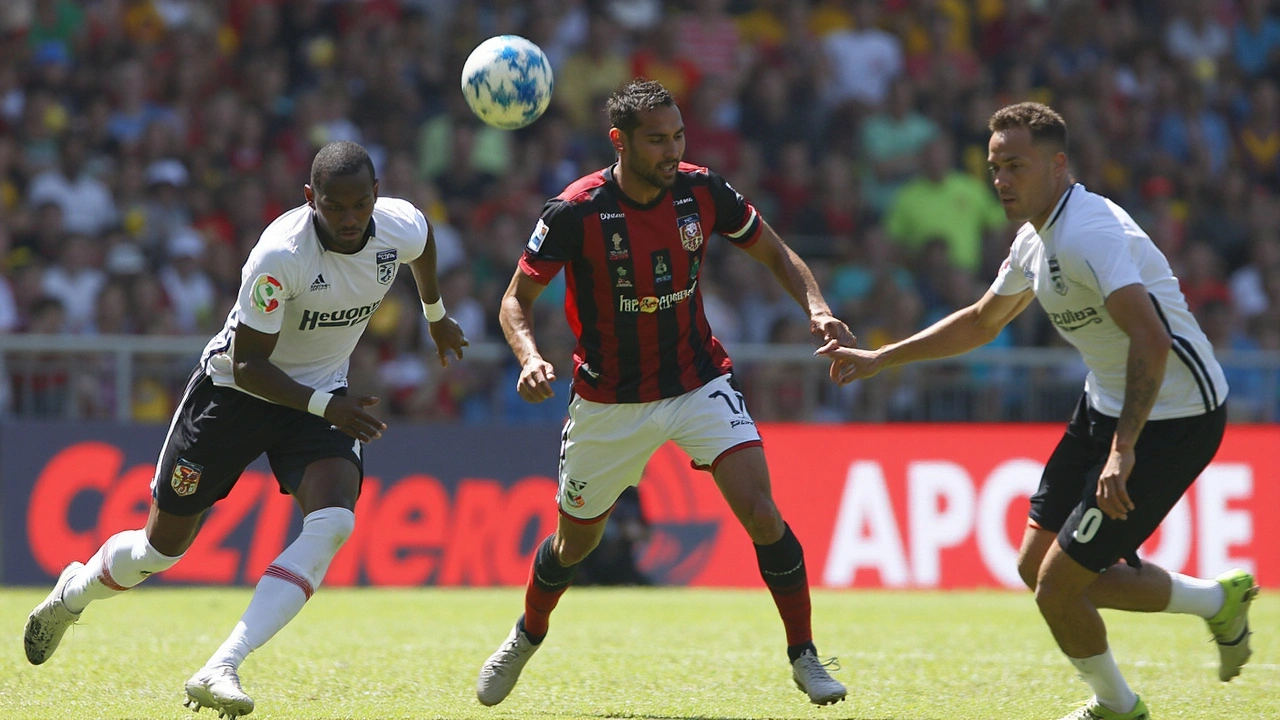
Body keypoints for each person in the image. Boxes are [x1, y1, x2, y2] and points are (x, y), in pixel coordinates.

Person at [819, 102, 1258, 720]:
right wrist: (881, 358)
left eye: (1015, 166)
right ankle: (1218, 602)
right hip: (1107, 401)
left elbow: (1153, 340)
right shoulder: (1035, 240)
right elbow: (982, 320)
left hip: (1175, 416)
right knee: (1036, 568)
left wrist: (1123, 449)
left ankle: (1118, 707)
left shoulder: (1089, 233)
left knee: (1058, 588)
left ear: (1057, 165)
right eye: (995, 166)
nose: (1000, 179)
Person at [23, 141, 468, 718]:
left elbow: (425, 242)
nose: (352, 218)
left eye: (362, 204)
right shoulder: (280, 255)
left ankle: (222, 664)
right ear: (311, 200)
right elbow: (250, 365)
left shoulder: (396, 226)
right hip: (235, 394)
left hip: (318, 395)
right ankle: (74, 594)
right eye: (337, 207)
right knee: (159, 550)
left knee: (334, 518)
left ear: (376, 197)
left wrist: (434, 315)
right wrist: (327, 408)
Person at [476, 79, 855, 708]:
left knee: (762, 513)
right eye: (657, 140)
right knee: (576, 544)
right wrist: (531, 357)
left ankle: (805, 655)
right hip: (608, 402)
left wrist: (816, 306)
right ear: (619, 141)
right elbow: (515, 300)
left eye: (678, 136)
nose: (672, 151)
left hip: (696, 381)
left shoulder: (701, 190)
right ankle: (526, 633)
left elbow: (774, 252)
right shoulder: (574, 210)